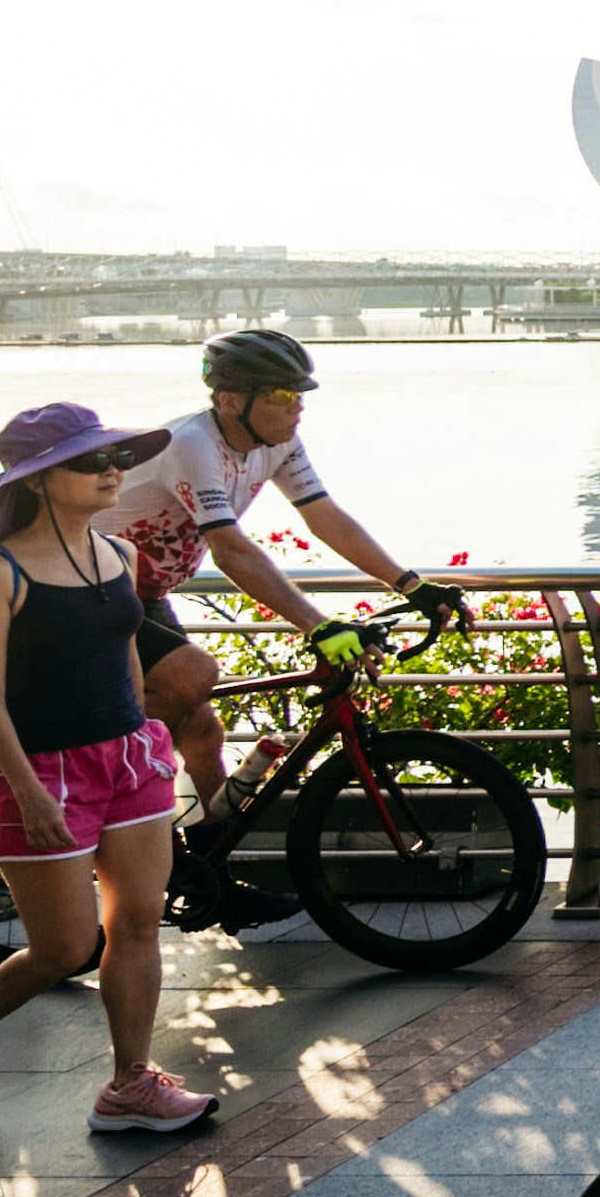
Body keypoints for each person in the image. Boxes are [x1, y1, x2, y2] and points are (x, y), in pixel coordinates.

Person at [0, 404, 219, 1135]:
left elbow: (123, 662)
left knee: (140, 922)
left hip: (128, 758)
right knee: (63, 949)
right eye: (92, 462)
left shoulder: (119, 557)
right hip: (40, 773)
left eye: (116, 458)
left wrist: (150, 743)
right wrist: (25, 792)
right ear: (42, 480)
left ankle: (129, 1084)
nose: (113, 472)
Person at [108, 330, 458, 826]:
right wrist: (319, 626)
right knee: (194, 675)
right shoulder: (192, 446)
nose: (297, 407)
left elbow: (325, 517)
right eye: (281, 395)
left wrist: (411, 584)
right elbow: (232, 552)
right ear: (231, 402)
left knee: (203, 732)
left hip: (146, 593)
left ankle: (213, 872)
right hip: (90, 591)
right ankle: (100, 781)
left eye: (299, 395)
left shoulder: (281, 443)